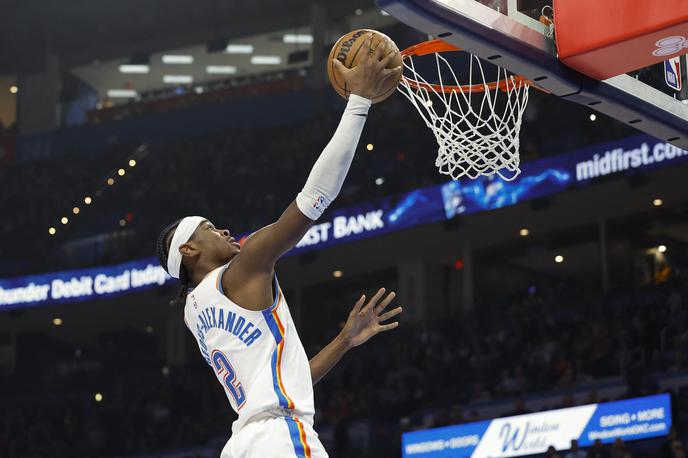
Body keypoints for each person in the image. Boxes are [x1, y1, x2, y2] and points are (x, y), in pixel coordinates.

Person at [156, 34, 403, 458]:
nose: (225, 231)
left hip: (246, 443)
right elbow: (314, 198)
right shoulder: (245, 267)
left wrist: (344, 340)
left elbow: (287, 381)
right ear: (189, 252)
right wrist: (358, 101)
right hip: (278, 440)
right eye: (211, 228)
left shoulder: (194, 312)